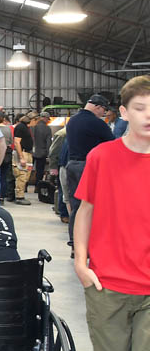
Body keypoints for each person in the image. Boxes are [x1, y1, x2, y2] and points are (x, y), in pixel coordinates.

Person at [72, 76, 150, 351]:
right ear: (123, 113)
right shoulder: (103, 156)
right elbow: (86, 209)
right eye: (140, 107)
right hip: (108, 285)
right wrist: (81, 262)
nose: (149, 116)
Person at [65, 94, 114, 243]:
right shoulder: (96, 123)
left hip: (71, 166)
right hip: (87, 167)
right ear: (97, 107)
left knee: (76, 206)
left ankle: (74, 243)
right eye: (103, 110)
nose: (104, 113)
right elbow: (112, 144)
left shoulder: (72, 121)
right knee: (91, 206)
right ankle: (89, 242)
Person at [11, 112, 35, 205]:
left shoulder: (26, 127)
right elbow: (17, 142)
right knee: (21, 175)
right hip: (22, 153)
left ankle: (20, 194)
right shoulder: (21, 127)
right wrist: (21, 157)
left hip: (27, 153)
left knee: (26, 175)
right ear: (33, 120)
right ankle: (19, 196)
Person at [0, 111, 16, 202]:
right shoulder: (8, 129)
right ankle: (2, 195)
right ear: (3, 119)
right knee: (4, 175)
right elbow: (11, 141)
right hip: (6, 153)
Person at [33, 111, 53, 187]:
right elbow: (48, 142)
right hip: (42, 153)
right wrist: (48, 154)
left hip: (31, 151)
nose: (48, 121)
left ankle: (25, 187)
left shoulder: (33, 126)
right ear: (44, 118)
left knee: (28, 170)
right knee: (40, 170)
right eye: (48, 119)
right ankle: (37, 186)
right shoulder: (47, 129)